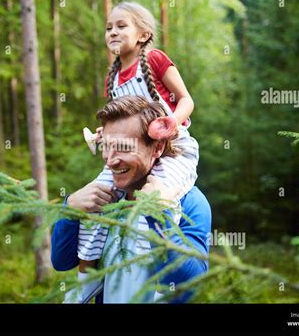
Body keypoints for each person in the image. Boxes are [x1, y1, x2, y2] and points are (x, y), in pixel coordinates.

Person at [76, 1, 201, 302]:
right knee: (96, 201)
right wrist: (103, 135)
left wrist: (172, 119)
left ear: (143, 35)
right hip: (128, 152)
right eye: (108, 28)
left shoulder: (155, 59)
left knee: (158, 196)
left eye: (121, 26)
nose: (113, 32)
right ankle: (85, 281)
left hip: (171, 148)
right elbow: (119, 120)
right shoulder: (113, 76)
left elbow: (186, 99)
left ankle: (160, 282)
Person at [52, 96, 211, 303]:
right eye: (106, 146)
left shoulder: (191, 203)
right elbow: (61, 262)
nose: (110, 160)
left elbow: (190, 283)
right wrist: (69, 210)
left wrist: (160, 216)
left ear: (157, 148)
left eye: (124, 147)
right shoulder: (103, 198)